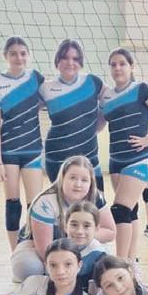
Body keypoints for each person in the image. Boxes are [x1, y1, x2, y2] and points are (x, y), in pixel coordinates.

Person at [99, 48, 148, 260]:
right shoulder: (106, 96)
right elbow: (99, 124)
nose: (117, 68)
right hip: (116, 160)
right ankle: (132, 261)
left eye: (122, 63)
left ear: (131, 66)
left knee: (120, 210)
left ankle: (120, 263)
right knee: (130, 211)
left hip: (138, 159)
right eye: (113, 64)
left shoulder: (141, 89)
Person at [11, 155, 115, 282]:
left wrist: (82, 234)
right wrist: (64, 269)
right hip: (39, 247)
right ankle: (43, 281)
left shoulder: (95, 196)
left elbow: (110, 231)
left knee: (104, 261)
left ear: (91, 182)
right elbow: (45, 250)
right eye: (72, 178)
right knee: (29, 266)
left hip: (75, 243)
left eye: (84, 180)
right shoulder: (46, 202)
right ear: (62, 178)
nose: (78, 184)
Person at [0, 37, 45, 250]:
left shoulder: (35, 78)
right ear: (6, 56)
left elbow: (47, 97)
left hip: (33, 149)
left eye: (23, 53)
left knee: (35, 206)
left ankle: (34, 248)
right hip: (9, 152)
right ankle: (15, 252)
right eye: (13, 53)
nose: (19, 57)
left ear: (28, 55)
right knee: (13, 205)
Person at [39, 39, 106, 191]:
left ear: (80, 62)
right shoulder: (46, 88)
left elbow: (114, 97)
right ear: (57, 60)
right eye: (65, 57)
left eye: (75, 58)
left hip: (89, 156)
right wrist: (0, 86)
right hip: (57, 158)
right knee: (64, 203)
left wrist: (98, 125)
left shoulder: (93, 82)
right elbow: (24, 108)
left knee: (97, 202)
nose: (70, 62)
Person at [64, 201, 107, 294]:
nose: (79, 231)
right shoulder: (58, 249)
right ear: (65, 226)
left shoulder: (100, 257)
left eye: (86, 226)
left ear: (96, 228)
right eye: (74, 225)